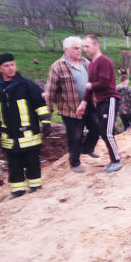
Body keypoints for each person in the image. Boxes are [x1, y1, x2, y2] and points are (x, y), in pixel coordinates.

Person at [0, 53, 51, 199]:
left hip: (29, 133)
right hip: (8, 135)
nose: (10, 68)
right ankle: (17, 190)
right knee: (14, 164)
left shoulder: (27, 84)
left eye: (12, 64)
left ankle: (35, 186)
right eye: (6, 66)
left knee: (32, 161)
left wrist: (45, 121)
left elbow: (40, 104)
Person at [44, 36, 100, 173]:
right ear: (66, 49)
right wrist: (47, 115)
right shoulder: (57, 67)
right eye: (76, 48)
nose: (79, 50)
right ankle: (74, 162)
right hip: (70, 109)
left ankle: (87, 148)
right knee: (75, 136)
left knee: (97, 127)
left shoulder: (85, 62)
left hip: (89, 104)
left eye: (80, 48)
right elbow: (49, 91)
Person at [77, 34, 123, 173]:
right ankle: (113, 160)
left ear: (96, 45)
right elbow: (90, 86)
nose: (85, 49)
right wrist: (84, 102)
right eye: (83, 47)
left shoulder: (104, 61)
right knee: (103, 132)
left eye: (87, 46)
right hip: (101, 101)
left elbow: (104, 82)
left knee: (107, 132)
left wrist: (91, 86)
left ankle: (116, 161)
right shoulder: (91, 65)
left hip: (110, 99)